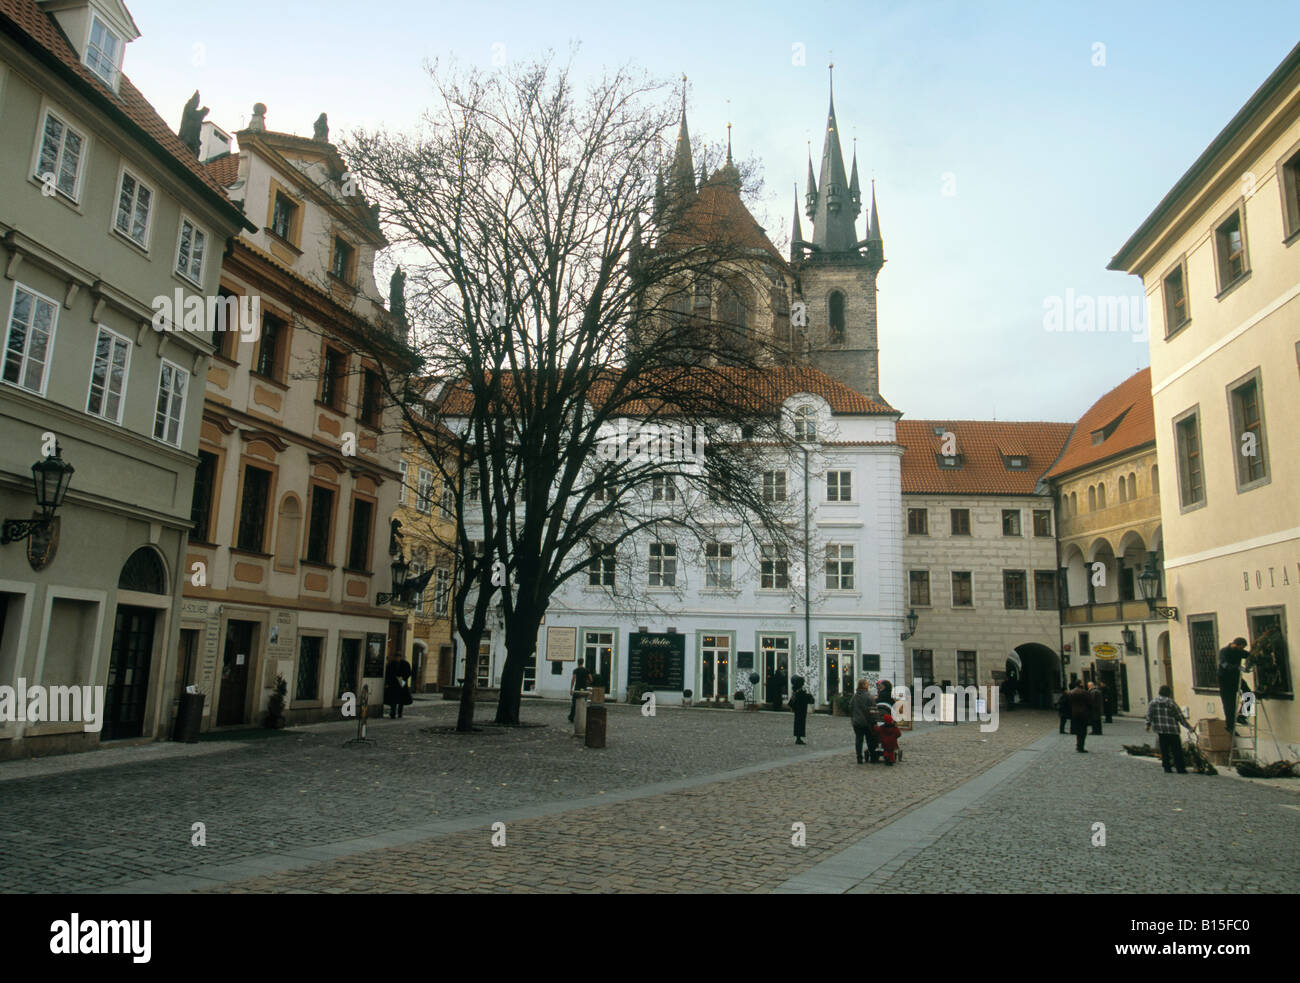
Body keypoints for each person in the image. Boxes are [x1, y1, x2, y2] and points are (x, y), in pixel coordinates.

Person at [1145, 684, 1190, 774]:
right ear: (1169, 693)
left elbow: (1149, 715)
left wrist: (1148, 725)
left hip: (1161, 730)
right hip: (1172, 730)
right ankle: (1180, 768)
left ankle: (1167, 767)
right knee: (1176, 750)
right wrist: (1189, 727)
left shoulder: (1153, 702)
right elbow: (1179, 716)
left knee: (1164, 749)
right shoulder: (1171, 703)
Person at [1218, 637, 1251, 733]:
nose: (1242, 650)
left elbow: (1249, 655)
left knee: (1249, 695)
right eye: (1242, 647)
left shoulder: (1239, 651)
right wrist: (1238, 667)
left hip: (1236, 678)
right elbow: (1224, 665)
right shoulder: (1224, 651)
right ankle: (1230, 727)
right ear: (1236, 645)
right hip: (1225, 680)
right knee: (1229, 704)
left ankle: (1242, 716)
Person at [850, 678, 877, 763]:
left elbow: (850, 707)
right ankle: (872, 757)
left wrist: (854, 717)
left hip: (857, 722)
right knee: (870, 739)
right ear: (864, 685)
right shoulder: (868, 696)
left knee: (859, 740)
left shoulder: (854, 696)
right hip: (867, 722)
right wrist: (874, 721)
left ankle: (859, 757)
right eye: (866, 684)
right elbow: (873, 709)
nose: (868, 685)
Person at [384, 652, 413, 719]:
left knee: (401, 701)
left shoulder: (405, 664)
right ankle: (393, 713)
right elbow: (388, 673)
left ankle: (400, 713)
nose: (397, 658)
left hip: (401, 684)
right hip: (393, 684)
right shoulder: (392, 664)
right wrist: (389, 682)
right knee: (393, 700)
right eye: (396, 657)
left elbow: (408, 673)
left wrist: (403, 679)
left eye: (398, 657)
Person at [1068, 679, 1092, 752]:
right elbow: (1089, 703)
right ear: (1081, 684)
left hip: (1074, 714)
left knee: (1078, 731)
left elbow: (1068, 703)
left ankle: (1078, 745)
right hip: (1083, 713)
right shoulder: (1085, 692)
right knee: (1083, 731)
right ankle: (1081, 747)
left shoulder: (1071, 692)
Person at [790, 675, 814, 745]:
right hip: (800, 710)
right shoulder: (799, 692)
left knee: (798, 723)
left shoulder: (797, 691)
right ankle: (798, 738)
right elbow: (804, 698)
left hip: (799, 710)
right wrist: (809, 696)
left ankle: (798, 737)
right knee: (800, 724)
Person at [568, 657, 592, 723]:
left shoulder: (576, 670)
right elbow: (591, 679)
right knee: (584, 702)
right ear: (583, 662)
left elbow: (573, 679)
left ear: (578, 662)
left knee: (574, 703)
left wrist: (571, 688)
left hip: (577, 688)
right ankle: (583, 716)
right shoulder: (586, 670)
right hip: (584, 688)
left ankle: (572, 717)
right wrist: (587, 683)